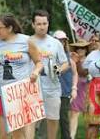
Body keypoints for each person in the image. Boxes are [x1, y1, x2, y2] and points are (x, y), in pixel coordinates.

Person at [0, 14, 43, 139]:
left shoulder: (26, 41)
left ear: (10, 28)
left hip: (19, 93)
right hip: (0, 92)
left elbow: (39, 62)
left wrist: (36, 72)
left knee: (17, 134)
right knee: (3, 136)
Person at [30, 10, 69, 139]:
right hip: (31, 88)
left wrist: (57, 70)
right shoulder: (27, 42)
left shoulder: (56, 43)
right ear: (33, 25)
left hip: (52, 88)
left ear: (48, 24)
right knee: (30, 122)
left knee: (52, 120)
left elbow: (65, 64)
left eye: (44, 23)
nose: (42, 26)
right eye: (39, 24)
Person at [54, 30, 78, 139]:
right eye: (58, 41)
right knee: (50, 119)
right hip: (51, 91)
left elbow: (75, 73)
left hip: (65, 92)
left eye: (63, 41)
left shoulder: (69, 57)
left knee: (63, 118)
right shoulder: (49, 56)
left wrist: (74, 88)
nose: (61, 43)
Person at [68, 39, 90, 139]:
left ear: (86, 49)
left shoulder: (90, 59)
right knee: (74, 112)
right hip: (76, 87)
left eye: (82, 48)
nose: (80, 50)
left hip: (88, 87)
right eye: (78, 48)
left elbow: (86, 72)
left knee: (88, 113)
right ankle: (71, 136)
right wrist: (74, 61)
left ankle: (89, 135)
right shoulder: (72, 59)